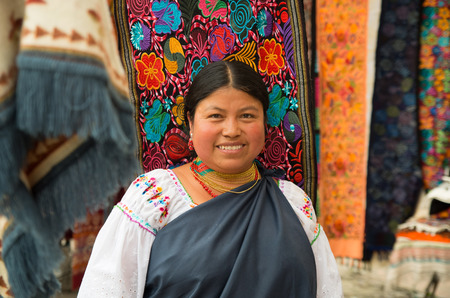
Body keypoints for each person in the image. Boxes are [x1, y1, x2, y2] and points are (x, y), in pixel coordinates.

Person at [78, 60, 343, 297]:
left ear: (265, 124)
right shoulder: (154, 199)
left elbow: (326, 289)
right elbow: (107, 288)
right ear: (191, 124)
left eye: (247, 116)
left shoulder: (293, 203)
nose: (231, 130)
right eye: (216, 116)